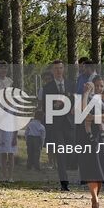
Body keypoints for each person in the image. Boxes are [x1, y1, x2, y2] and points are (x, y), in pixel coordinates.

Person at [39, 60, 76, 190]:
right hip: (57, 125)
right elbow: (44, 108)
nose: (58, 71)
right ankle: (64, 183)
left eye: (60, 68)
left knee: (70, 152)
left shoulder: (72, 85)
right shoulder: (47, 88)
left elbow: (77, 101)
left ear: (64, 69)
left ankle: (72, 171)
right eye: (56, 69)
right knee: (61, 153)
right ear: (52, 71)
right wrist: (54, 107)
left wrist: (73, 107)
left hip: (70, 123)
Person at [76, 78, 104, 208]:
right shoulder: (86, 97)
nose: (99, 88)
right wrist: (85, 93)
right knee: (91, 166)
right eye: (96, 85)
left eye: (101, 86)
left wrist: (94, 118)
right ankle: (94, 197)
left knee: (100, 166)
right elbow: (84, 111)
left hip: (102, 135)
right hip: (87, 136)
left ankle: (95, 195)